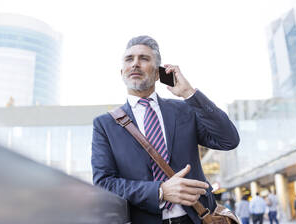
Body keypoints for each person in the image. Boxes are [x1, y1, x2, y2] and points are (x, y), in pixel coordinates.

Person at [91, 35, 240, 224]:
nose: (135, 64)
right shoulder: (105, 124)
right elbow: (104, 183)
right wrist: (160, 191)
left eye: (144, 59)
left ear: (158, 73)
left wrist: (189, 93)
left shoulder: (185, 109)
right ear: (122, 72)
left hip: (198, 218)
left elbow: (229, 140)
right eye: (129, 59)